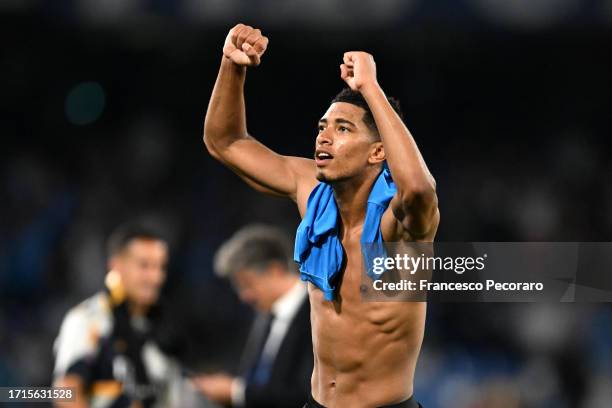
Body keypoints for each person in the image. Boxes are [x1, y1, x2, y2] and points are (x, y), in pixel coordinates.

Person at [203, 24, 439, 408]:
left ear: (378, 153)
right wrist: (232, 66)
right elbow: (225, 142)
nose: (323, 137)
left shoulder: (398, 225)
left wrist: (370, 89)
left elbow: (419, 188)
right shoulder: (311, 190)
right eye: (322, 127)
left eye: (342, 128)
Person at [52, 223, 190, 408]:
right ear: (116, 265)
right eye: (144, 266)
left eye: (160, 267)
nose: (156, 277)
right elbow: (65, 392)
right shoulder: (89, 319)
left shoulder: (163, 324)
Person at [193, 225, 312, 408]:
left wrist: (235, 392)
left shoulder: (314, 314)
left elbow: (304, 392)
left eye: (247, 284)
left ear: (275, 270)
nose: (244, 296)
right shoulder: (263, 317)